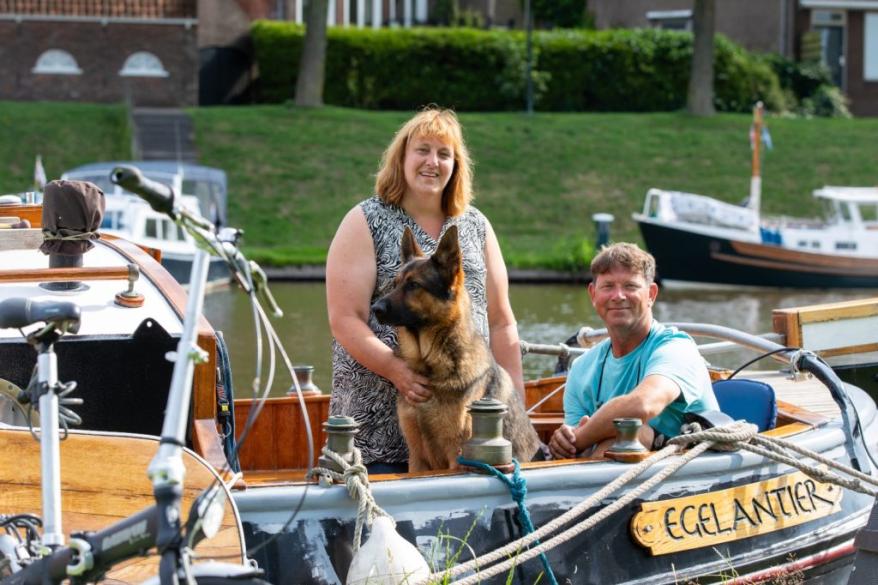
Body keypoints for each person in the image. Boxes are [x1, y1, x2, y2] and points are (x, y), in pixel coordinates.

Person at [325, 107, 523, 474]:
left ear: (456, 166)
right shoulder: (364, 220)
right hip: (377, 431)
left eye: (444, 154)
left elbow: (501, 323)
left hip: (469, 427)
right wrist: (396, 370)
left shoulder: (476, 225)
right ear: (401, 157)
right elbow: (344, 319)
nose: (433, 162)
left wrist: (515, 407)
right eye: (423, 150)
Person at [548, 243, 718, 460]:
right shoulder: (581, 368)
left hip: (689, 471)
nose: (618, 296)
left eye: (630, 286)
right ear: (593, 294)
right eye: (608, 286)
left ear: (651, 294)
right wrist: (564, 442)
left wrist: (579, 438)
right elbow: (573, 448)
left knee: (630, 434)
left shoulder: (677, 349)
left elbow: (643, 405)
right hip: (607, 478)